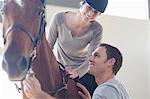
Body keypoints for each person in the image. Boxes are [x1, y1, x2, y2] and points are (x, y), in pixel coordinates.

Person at [46, 0, 108, 95]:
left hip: (82, 69)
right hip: (60, 66)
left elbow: (90, 58)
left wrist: (77, 72)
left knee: (93, 89)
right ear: (82, 4)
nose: (91, 14)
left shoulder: (97, 29)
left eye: (95, 12)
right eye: (89, 8)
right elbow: (48, 48)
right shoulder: (59, 18)